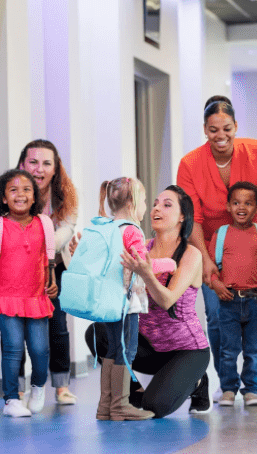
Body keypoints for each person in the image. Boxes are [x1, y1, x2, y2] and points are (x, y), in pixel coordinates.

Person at [177, 95, 257, 405]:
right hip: (210, 249)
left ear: (236, 126)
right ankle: (227, 383)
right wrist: (208, 262)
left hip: (253, 248)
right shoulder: (190, 164)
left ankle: (256, 381)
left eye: (226, 129)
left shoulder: (256, 152)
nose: (220, 136)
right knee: (216, 315)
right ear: (205, 129)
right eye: (213, 130)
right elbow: (193, 218)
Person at [0, 170, 58, 418]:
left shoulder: (44, 224)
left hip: (36, 298)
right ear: (4, 198)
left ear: (34, 196)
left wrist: (52, 283)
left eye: (27, 189)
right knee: (13, 349)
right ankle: (11, 400)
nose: (21, 194)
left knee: (40, 350)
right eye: (13, 189)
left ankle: (38, 386)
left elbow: (48, 259)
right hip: (5, 299)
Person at [119, 186, 209, 418]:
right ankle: (136, 391)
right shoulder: (141, 247)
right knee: (98, 333)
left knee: (155, 407)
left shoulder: (191, 255)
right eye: (156, 203)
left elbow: (166, 300)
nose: (157, 208)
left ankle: (197, 381)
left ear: (182, 216)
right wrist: (79, 257)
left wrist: (148, 274)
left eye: (167, 205)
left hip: (187, 350)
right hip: (150, 348)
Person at [93, 177, 175, 421]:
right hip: (126, 303)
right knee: (126, 350)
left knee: (113, 349)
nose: (147, 207)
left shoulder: (106, 227)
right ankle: (120, 405)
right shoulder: (132, 230)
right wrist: (170, 263)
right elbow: (143, 266)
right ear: (132, 203)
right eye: (145, 201)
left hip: (108, 300)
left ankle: (105, 406)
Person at [15, 140, 79, 405]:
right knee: (15, 328)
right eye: (33, 162)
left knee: (57, 326)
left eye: (46, 163)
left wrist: (41, 242)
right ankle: (16, 389)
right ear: (22, 164)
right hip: (15, 267)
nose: (39, 169)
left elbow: (67, 228)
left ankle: (61, 387)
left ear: (55, 168)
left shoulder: (65, 193)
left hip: (53, 267)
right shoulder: (7, 189)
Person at [208, 182, 257, 407]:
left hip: (256, 301)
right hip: (228, 301)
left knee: (254, 350)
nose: (241, 207)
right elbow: (210, 269)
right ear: (228, 206)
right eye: (236, 202)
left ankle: (251, 390)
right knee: (228, 349)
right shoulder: (221, 235)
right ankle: (228, 389)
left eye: (248, 203)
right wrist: (216, 285)